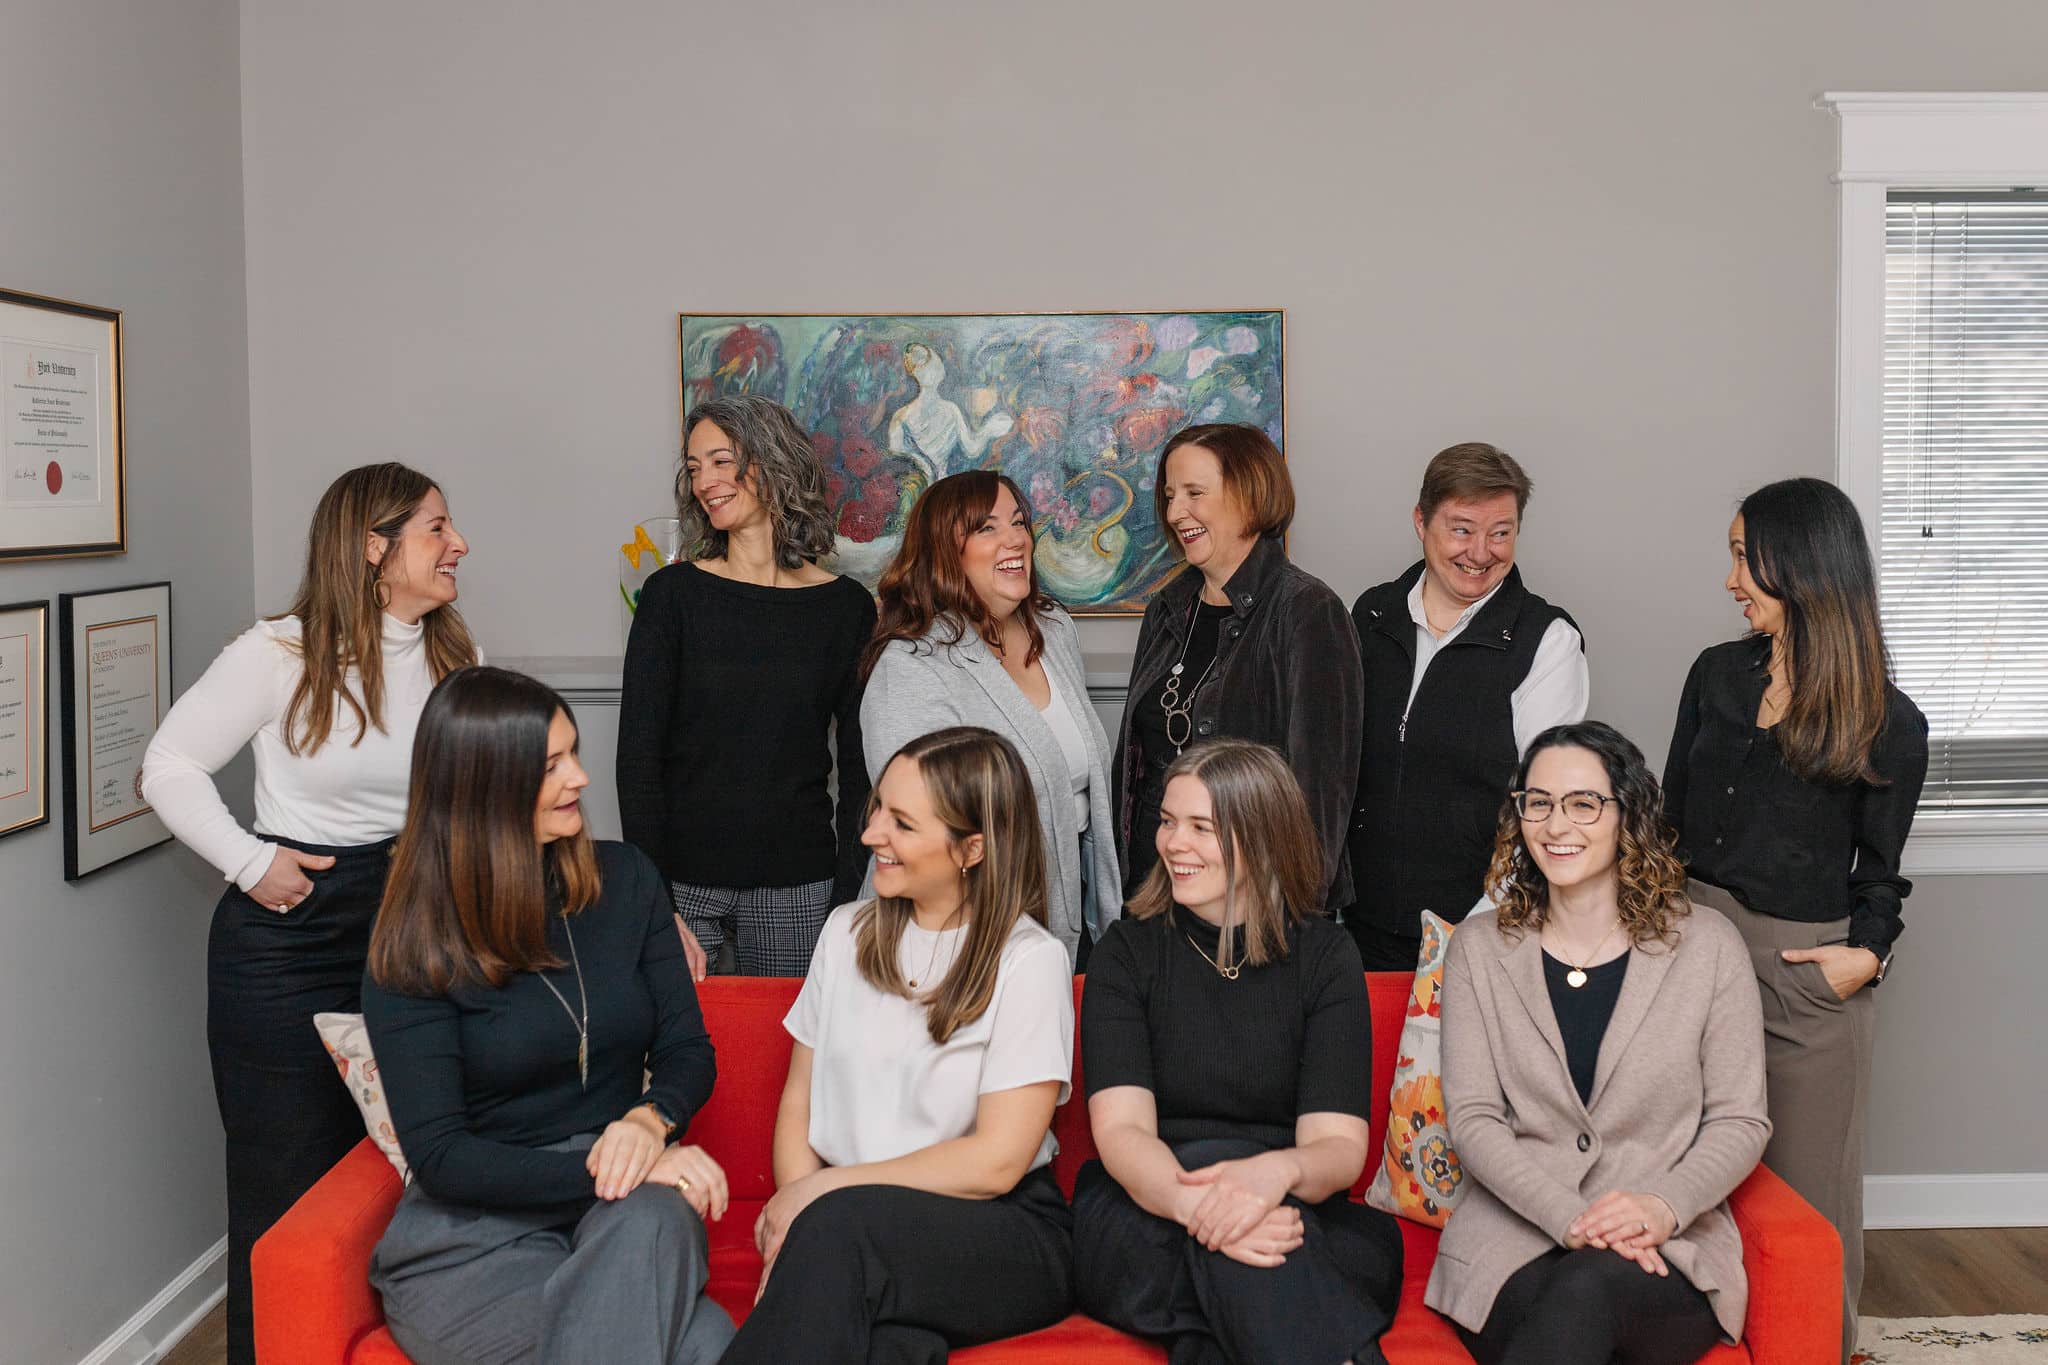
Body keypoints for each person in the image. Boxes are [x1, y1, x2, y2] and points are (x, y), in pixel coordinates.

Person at [138, 462, 479, 1365]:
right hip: (284, 943)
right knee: (286, 1186)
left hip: (410, 926)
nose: (459, 546)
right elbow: (166, 765)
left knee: (412, 1164)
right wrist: (251, 863)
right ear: (375, 547)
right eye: (437, 529)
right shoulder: (278, 651)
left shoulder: (455, 658)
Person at [362, 666, 733, 1364]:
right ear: (485, 787)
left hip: (624, 1214)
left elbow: (689, 1049)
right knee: (704, 1342)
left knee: (659, 1210)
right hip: (474, 1238)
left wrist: (648, 1122)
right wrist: (614, 1170)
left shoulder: (627, 880)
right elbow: (443, 1157)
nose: (581, 779)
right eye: (551, 764)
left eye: (575, 753)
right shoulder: (416, 941)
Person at [1663, 477, 1928, 1362]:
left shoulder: (1889, 720)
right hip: (1692, 951)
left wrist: (1866, 957)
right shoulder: (1714, 674)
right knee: (1688, 1180)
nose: (1731, 577)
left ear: (1802, 564)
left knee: (1812, 1199)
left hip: (1805, 974)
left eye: (1745, 557)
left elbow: (1881, 874)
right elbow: (1666, 823)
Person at [721, 726, 1076, 1363]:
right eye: (878, 808)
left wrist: (824, 1197)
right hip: (864, 1235)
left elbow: (997, 1161)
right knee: (889, 1345)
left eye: (903, 824)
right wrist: (794, 1229)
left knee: (839, 1234)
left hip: (1003, 1231)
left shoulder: (1030, 960)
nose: (871, 834)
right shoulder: (843, 933)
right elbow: (800, 1101)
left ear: (972, 849)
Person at [1428, 721, 1770, 1365]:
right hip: (1516, 1239)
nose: (1557, 826)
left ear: (1627, 813)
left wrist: (1664, 1208)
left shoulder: (1709, 946)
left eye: (1584, 803)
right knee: (1573, 1302)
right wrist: (1569, 1218)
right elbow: (1473, 1121)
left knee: (1587, 1291)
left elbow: (1739, 1119)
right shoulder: (1477, 949)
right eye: (1539, 803)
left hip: (1661, 1243)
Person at [1075, 739, 1402, 1365]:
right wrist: (1204, 1207)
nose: (1173, 844)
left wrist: (1272, 1178)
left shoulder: (1326, 958)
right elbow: (1122, 1135)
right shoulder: (1126, 952)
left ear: (1261, 836)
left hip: (1291, 1202)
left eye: (1201, 827)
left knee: (1236, 1294)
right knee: (1263, 1260)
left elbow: (1337, 1148)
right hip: (1153, 1204)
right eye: (1169, 821)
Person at [619, 393, 876, 978]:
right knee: (676, 1056)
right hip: (681, 887)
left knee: (787, 1062)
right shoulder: (671, 597)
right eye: (693, 468)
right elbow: (637, 760)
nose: (704, 481)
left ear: (771, 461)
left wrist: (844, 894)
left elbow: (861, 768)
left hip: (800, 888)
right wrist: (653, 897)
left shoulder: (845, 610)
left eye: (720, 460)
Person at [1344, 441, 1588, 971]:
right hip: (1358, 926)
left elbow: (1545, 805)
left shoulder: (1547, 641)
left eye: (1500, 533)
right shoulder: (1371, 615)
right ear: (1420, 522)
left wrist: (1482, 926)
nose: (1481, 553)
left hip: (1482, 932)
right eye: (1461, 529)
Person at [860, 469, 1118, 963]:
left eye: (1018, 522)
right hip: (961, 934)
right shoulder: (911, 664)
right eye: (987, 528)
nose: (1014, 539)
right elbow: (914, 825)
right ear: (944, 552)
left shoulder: (1054, 629)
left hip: (1067, 915)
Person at [1114, 422, 1362, 913]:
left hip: (1253, 904)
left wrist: (1290, 915)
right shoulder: (1167, 607)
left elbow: (1320, 793)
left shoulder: (1308, 610)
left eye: (1194, 493)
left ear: (1250, 498)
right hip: (1155, 888)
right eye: (1169, 495)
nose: (1175, 511)